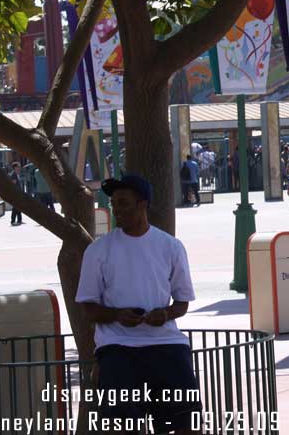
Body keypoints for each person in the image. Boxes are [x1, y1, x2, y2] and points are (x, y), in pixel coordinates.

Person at [75, 174, 199, 433]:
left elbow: (182, 302)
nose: (116, 210)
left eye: (123, 203)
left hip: (165, 343)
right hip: (117, 347)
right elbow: (88, 307)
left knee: (188, 419)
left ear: (143, 204)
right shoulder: (99, 250)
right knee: (122, 422)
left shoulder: (171, 247)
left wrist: (164, 314)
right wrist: (117, 315)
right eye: (113, 203)